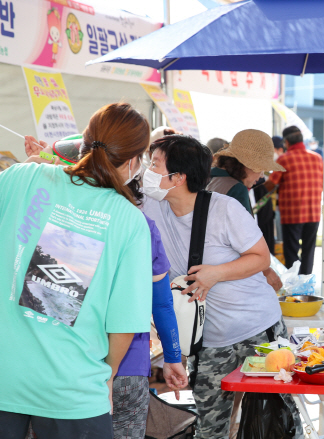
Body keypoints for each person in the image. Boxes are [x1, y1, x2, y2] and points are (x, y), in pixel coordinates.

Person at [0, 103, 153, 438]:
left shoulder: (20, 176)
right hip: (73, 389)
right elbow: (124, 323)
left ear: (82, 141)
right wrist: (109, 376)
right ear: (133, 162)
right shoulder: (129, 220)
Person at [22, 133, 189, 439]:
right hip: (126, 368)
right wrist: (173, 358)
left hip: (60, 372)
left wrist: (40, 160)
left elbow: (45, 302)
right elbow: (161, 303)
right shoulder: (138, 223)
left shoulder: (52, 224)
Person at [140, 134, 300, 439]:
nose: (149, 171)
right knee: (210, 423)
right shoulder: (152, 206)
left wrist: (217, 274)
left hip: (258, 327)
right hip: (210, 338)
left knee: (276, 418)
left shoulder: (224, 209)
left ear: (179, 177)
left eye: (155, 164)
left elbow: (261, 257)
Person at [207, 129, 284, 290]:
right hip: (226, 276)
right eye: (260, 169)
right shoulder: (236, 189)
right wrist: (266, 270)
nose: (262, 176)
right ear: (244, 165)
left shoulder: (209, 178)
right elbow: (249, 244)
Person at [265, 125, 323, 275]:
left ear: (286, 142)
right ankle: (305, 284)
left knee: (291, 252)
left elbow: (271, 184)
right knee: (309, 252)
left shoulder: (284, 159)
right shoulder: (317, 158)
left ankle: (294, 288)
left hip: (292, 214)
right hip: (313, 212)